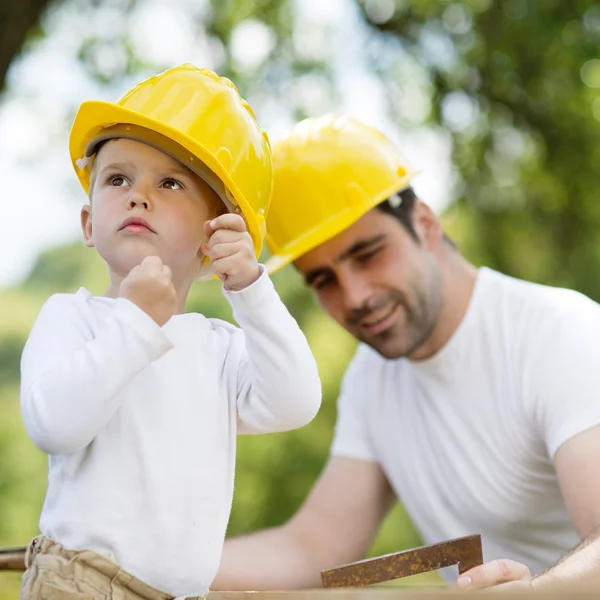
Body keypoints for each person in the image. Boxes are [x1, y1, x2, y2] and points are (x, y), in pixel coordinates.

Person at [213, 114, 600, 592]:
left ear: (425, 224)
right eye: (324, 280)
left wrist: (534, 593)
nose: (354, 296)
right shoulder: (372, 378)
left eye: (368, 253)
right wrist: (145, 559)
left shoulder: (559, 333)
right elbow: (312, 547)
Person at [19, 65, 321, 600]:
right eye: (118, 179)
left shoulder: (219, 348)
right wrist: (136, 322)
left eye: (170, 182)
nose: (138, 196)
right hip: (80, 583)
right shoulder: (73, 318)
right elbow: (54, 426)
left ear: (214, 236)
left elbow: (296, 401)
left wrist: (251, 287)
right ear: (89, 225)